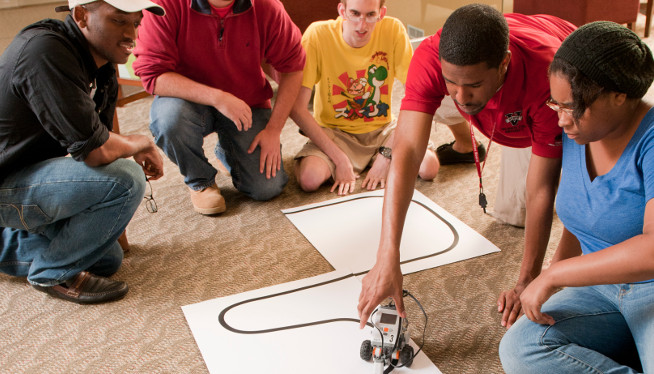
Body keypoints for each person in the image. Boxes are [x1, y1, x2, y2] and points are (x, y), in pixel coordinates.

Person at [357, 4, 576, 328]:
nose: (460, 95)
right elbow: (406, 153)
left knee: (528, 213)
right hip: (497, 106)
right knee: (436, 102)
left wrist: (527, 278)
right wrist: (387, 256)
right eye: (451, 82)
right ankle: (465, 138)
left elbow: (542, 186)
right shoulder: (432, 58)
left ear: (503, 64)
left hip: (550, 105)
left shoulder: (550, 77)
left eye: (471, 84)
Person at [499, 22, 654, 373]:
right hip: (599, 289)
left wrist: (554, 276)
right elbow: (585, 219)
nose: (561, 119)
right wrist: (551, 278)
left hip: (651, 290)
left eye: (573, 107)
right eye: (556, 103)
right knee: (521, 348)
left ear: (620, 95)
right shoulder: (576, 133)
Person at [0, 0, 165, 304]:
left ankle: (7, 245)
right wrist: (141, 142)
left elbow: (101, 141)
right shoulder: (44, 52)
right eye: (119, 21)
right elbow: (97, 153)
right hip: (6, 183)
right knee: (125, 179)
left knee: (106, 259)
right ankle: (52, 273)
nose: (132, 34)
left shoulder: (100, 65)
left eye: (136, 22)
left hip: (23, 174)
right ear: (81, 15)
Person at [133, 0, 305, 215]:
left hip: (246, 104)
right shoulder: (163, 4)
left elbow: (293, 67)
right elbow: (153, 75)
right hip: (186, 102)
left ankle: (227, 152)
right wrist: (218, 98)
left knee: (267, 188)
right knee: (168, 120)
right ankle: (200, 181)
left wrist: (274, 129)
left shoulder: (267, 6)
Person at [290, 0, 438, 196]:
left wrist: (386, 155)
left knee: (429, 167)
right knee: (309, 179)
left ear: (381, 13)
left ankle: (377, 159)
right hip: (336, 133)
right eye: (355, 14)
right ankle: (350, 160)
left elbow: (418, 99)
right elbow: (297, 109)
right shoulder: (317, 35)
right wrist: (339, 159)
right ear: (342, 11)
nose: (362, 25)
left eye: (370, 15)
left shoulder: (394, 30)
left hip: (382, 130)